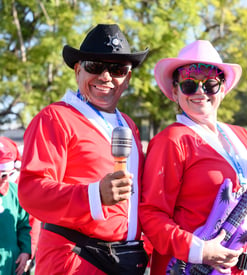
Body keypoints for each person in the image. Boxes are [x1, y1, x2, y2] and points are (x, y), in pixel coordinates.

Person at [139, 40, 247, 274]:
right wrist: (200, 250)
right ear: (175, 91)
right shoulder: (172, 140)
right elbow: (151, 215)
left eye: (209, 85)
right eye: (189, 85)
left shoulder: (243, 137)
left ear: (222, 89)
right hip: (191, 268)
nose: (200, 92)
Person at [18, 24, 149, 275]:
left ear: (128, 78)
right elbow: (30, 191)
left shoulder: (129, 125)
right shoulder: (55, 117)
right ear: (78, 70)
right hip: (74, 259)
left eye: (117, 69)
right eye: (94, 66)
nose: (106, 77)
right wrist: (94, 195)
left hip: (125, 260)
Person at [0, 137, 31, 275]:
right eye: (1, 175)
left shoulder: (15, 191)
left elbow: (24, 226)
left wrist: (25, 251)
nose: (5, 180)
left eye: (9, 174)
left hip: (12, 262)